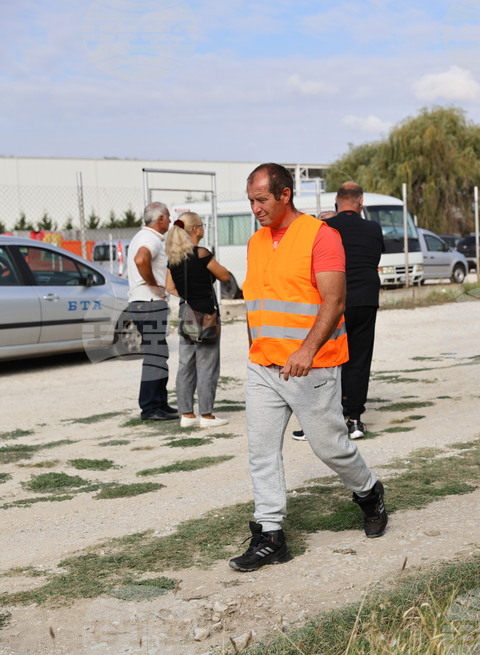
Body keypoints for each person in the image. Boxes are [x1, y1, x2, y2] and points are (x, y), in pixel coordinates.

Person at [229, 163, 388, 573]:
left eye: (261, 199)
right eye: (250, 200)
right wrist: (254, 348)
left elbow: (334, 301)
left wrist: (306, 350)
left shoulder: (322, 236)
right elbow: (257, 301)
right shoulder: (255, 242)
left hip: (310, 367)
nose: (255, 208)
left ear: (285, 194)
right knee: (262, 452)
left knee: (329, 447)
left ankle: (369, 492)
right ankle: (270, 535)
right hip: (264, 366)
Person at [292, 182, 384, 441]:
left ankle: (318, 421)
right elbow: (374, 257)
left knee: (328, 359)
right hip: (365, 299)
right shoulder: (373, 228)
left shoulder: (326, 229)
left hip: (333, 301)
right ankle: (354, 419)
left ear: (336, 201)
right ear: (360, 201)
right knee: (359, 358)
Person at [164, 212, 231, 428]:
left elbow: (169, 287)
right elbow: (225, 276)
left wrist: (188, 294)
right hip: (206, 315)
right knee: (207, 364)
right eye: (202, 225)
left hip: (187, 313)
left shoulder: (174, 257)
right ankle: (207, 415)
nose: (203, 228)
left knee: (186, 364)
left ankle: (187, 414)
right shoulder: (202, 254)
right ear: (195, 230)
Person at [127, 202, 177, 421]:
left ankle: (159, 404)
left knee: (158, 354)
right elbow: (141, 259)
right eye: (167, 216)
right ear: (160, 220)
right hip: (148, 303)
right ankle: (149, 408)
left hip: (144, 304)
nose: (170, 220)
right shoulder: (150, 239)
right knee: (154, 356)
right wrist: (153, 285)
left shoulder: (142, 236)